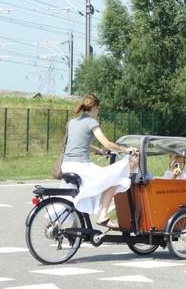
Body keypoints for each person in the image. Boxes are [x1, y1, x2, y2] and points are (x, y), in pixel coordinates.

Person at [59, 94, 137, 230]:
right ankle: (104, 216)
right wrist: (127, 150)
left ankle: (75, 225)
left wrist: (99, 151)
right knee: (115, 178)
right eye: (98, 109)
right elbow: (107, 143)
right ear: (94, 107)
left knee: (85, 190)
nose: (98, 111)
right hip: (80, 166)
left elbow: (80, 144)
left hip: (66, 165)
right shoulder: (91, 122)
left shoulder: (72, 122)